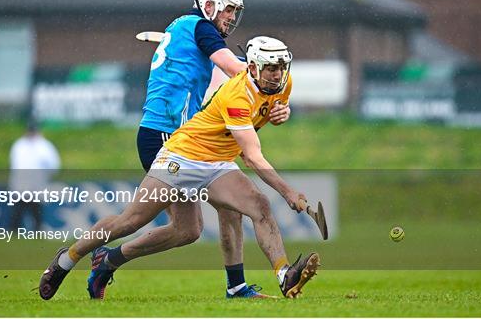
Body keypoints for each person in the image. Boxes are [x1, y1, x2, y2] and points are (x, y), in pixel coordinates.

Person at [39, 36, 320, 300]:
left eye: (281, 67)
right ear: (254, 68)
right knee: (131, 222)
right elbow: (253, 157)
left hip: (218, 163)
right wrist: (288, 191)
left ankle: (284, 275)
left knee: (256, 206)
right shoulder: (236, 95)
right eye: (270, 67)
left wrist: (282, 112)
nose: (276, 73)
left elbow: (273, 106)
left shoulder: (284, 83)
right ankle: (67, 259)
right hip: (183, 156)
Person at [8, 120, 60, 231]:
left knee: (36, 214)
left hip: (36, 185)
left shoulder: (44, 145)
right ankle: (13, 233)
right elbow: (14, 164)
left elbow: (53, 165)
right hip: (20, 185)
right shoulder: (19, 145)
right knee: (17, 213)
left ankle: (37, 233)